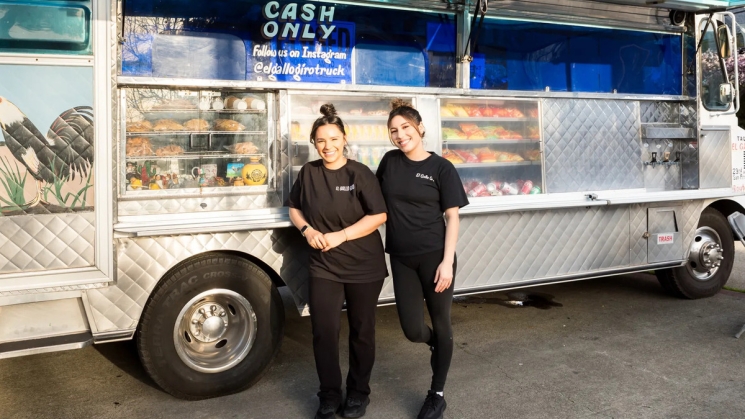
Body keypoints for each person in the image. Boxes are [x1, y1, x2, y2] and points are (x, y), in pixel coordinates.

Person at [288, 104, 388, 419]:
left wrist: (341, 236)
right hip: (324, 265)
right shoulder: (308, 173)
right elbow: (293, 208)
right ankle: (329, 395)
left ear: (344, 139)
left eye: (333, 139)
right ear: (314, 144)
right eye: (321, 141)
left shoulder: (359, 173)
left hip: (363, 265)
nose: (328, 146)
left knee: (362, 330)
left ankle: (358, 393)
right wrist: (307, 230)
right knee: (324, 331)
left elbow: (379, 215)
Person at [376, 100, 469, 419]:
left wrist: (446, 263)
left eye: (405, 128)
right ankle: (436, 344)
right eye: (393, 131)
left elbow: (453, 218)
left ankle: (437, 394)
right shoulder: (389, 162)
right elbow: (373, 201)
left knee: (442, 323)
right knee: (413, 328)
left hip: (435, 257)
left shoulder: (442, 168)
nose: (400, 135)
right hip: (401, 258)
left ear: (420, 129)